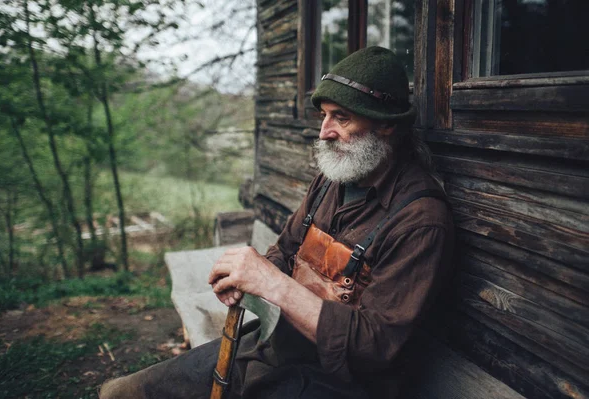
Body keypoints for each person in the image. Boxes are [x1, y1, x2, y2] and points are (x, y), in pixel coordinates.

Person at [99, 46, 454, 399]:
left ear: (387, 124)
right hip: (279, 348)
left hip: (339, 384)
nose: (325, 132)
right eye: (324, 116)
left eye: (342, 118)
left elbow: (373, 348)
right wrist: (247, 278)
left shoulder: (419, 220)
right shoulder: (330, 183)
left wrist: (273, 284)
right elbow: (285, 252)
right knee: (126, 392)